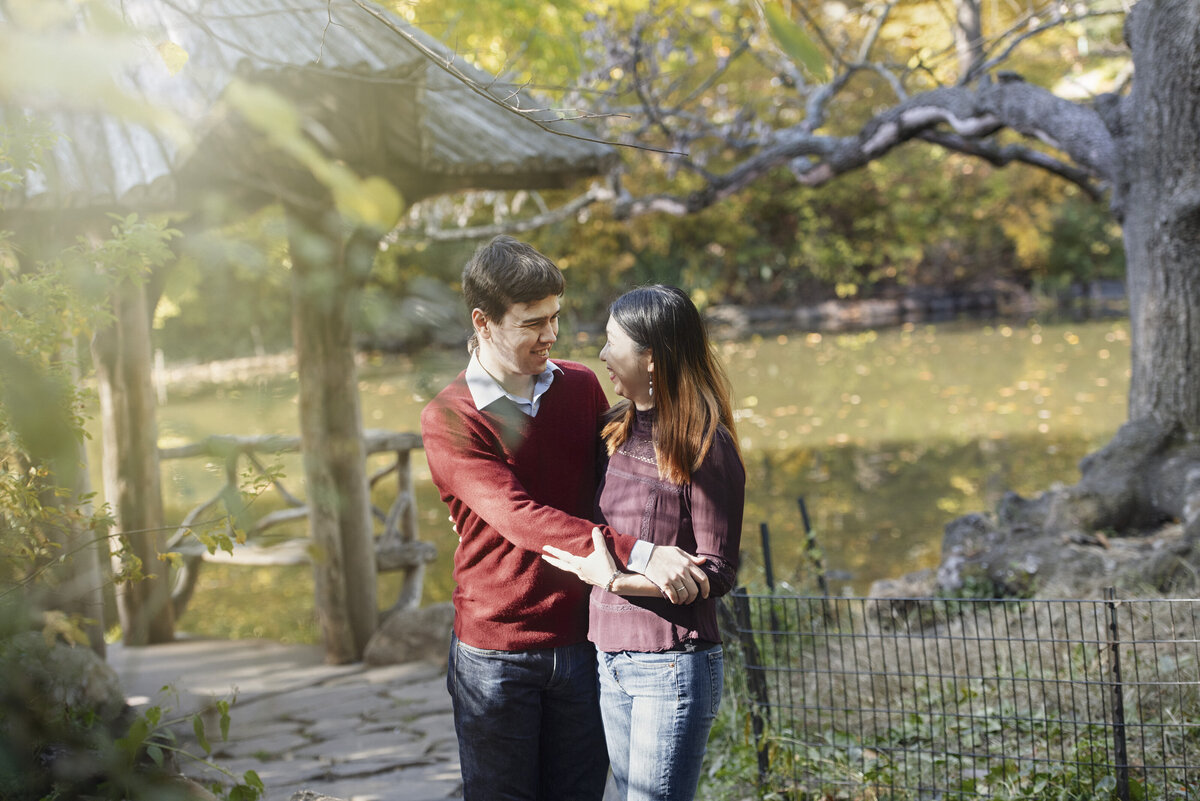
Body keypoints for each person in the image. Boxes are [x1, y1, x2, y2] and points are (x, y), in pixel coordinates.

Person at [420, 237, 711, 801]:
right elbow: (519, 515)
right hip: (496, 653)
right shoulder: (449, 417)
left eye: (555, 317)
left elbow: (629, 476)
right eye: (532, 323)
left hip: (585, 639)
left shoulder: (579, 385)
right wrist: (646, 553)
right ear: (483, 322)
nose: (551, 334)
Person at [542, 284, 746, 801]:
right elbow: (562, 502)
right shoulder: (614, 427)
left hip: (672, 665)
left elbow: (717, 572)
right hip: (608, 657)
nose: (603, 354)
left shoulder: (704, 443)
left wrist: (619, 580)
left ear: (651, 357)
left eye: (614, 343)